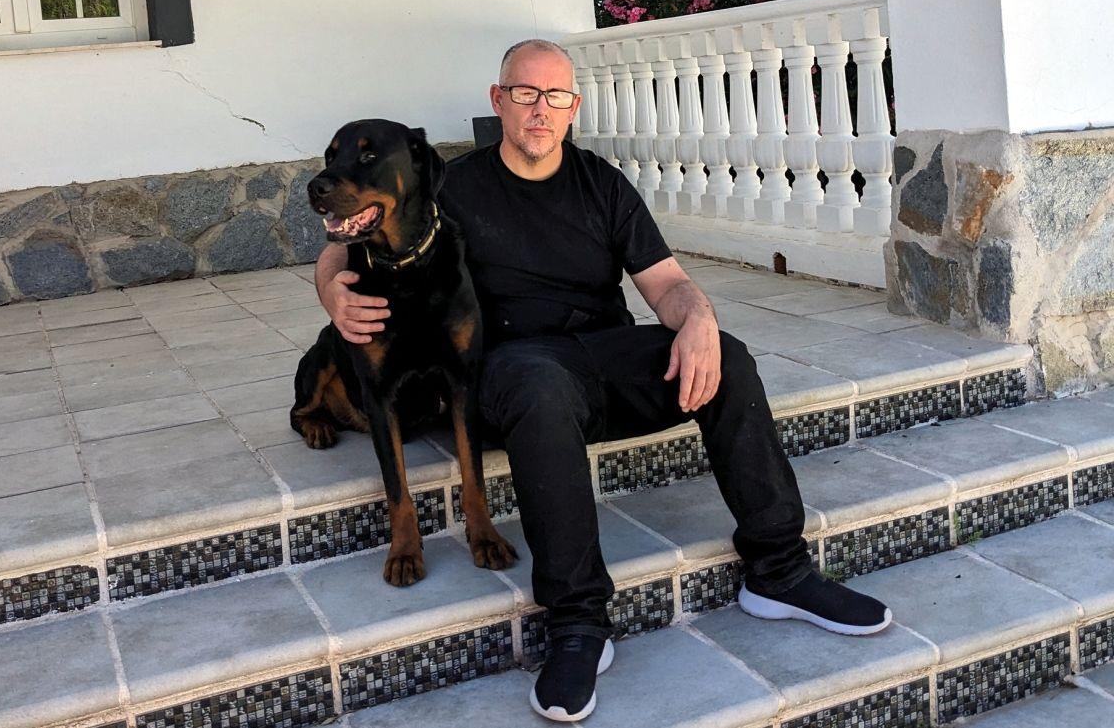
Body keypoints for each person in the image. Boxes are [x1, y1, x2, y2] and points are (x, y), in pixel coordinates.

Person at [315, 39, 891, 723]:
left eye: (556, 96)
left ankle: (781, 569)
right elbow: (338, 245)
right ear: (499, 101)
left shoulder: (602, 183)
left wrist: (699, 319)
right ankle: (578, 619)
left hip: (605, 356)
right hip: (516, 373)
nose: (540, 110)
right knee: (537, 384)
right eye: (525, 94)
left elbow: (667, 283)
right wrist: (332, 297)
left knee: (728, 355)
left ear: (573, 107)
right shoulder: (455, 186)